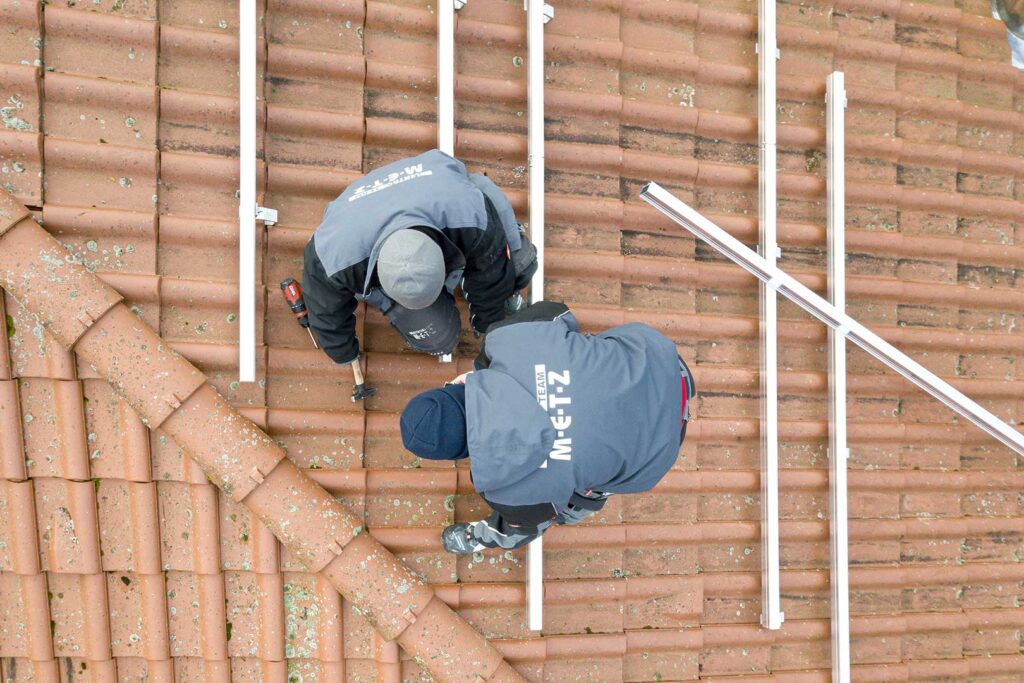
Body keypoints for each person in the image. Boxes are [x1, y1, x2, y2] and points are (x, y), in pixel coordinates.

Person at [399, 301, 697, 554]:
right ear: (454, 385)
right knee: (582, 347)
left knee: (562, 511)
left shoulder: (506, 493)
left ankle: (480, 538)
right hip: (661, 364)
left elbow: (526, 526)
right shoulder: (508, 337)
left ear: (458, 454)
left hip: (657, 452)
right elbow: (559, 312)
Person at [302, 149, 537, 368]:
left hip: (454, 194)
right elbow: (324, 310)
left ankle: (473, 281)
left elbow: (491, 279)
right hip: (360, 218)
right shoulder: (334, 256)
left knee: (520, 265)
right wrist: (344, 353)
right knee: (439, 338)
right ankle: (380, 296)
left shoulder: (470, 215)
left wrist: (490, 326)